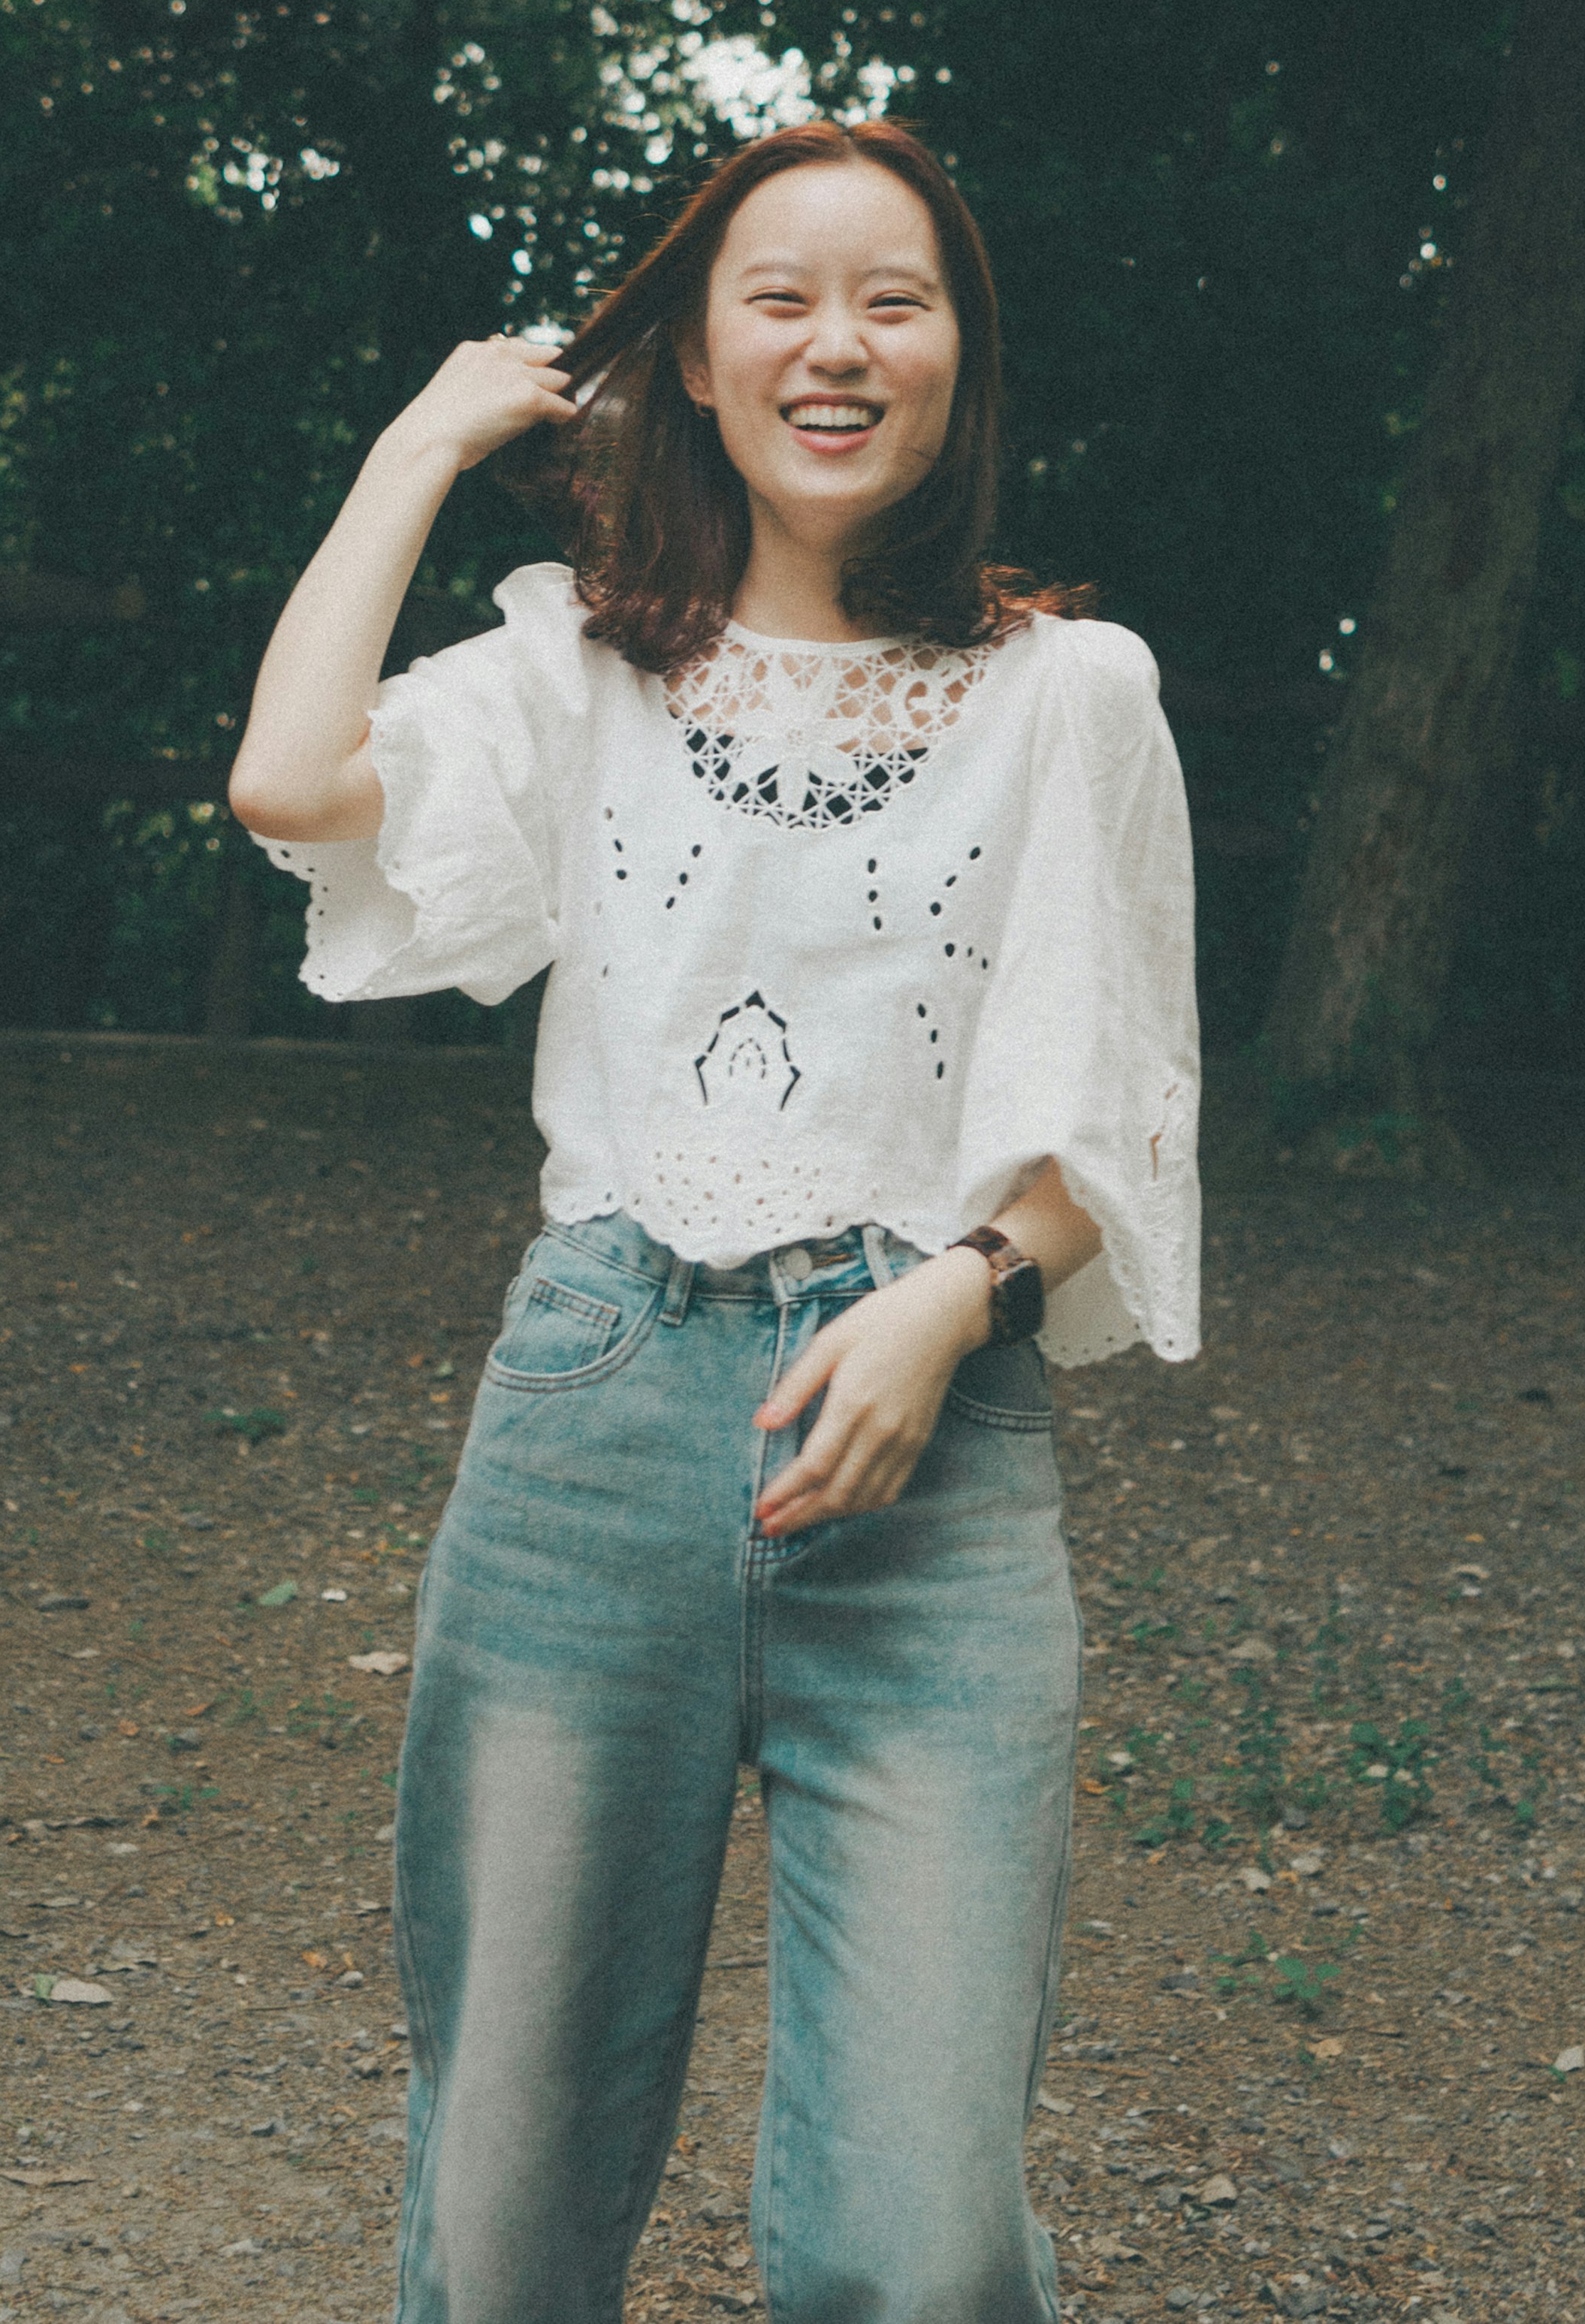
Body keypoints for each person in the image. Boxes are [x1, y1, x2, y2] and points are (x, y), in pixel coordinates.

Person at [228, 116, 1200, 2324]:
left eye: (896, 298)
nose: (836, 344)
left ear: (959, 356)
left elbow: (1108, 1126)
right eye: (780, 298)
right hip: (596, 1419)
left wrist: (957, 1301)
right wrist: (418, 445)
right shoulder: (578, 670)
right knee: (505, 2209)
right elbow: (294, 785)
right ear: (687, 354)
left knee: (916, 2245)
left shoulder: (1074, 696)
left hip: (929, 1464)